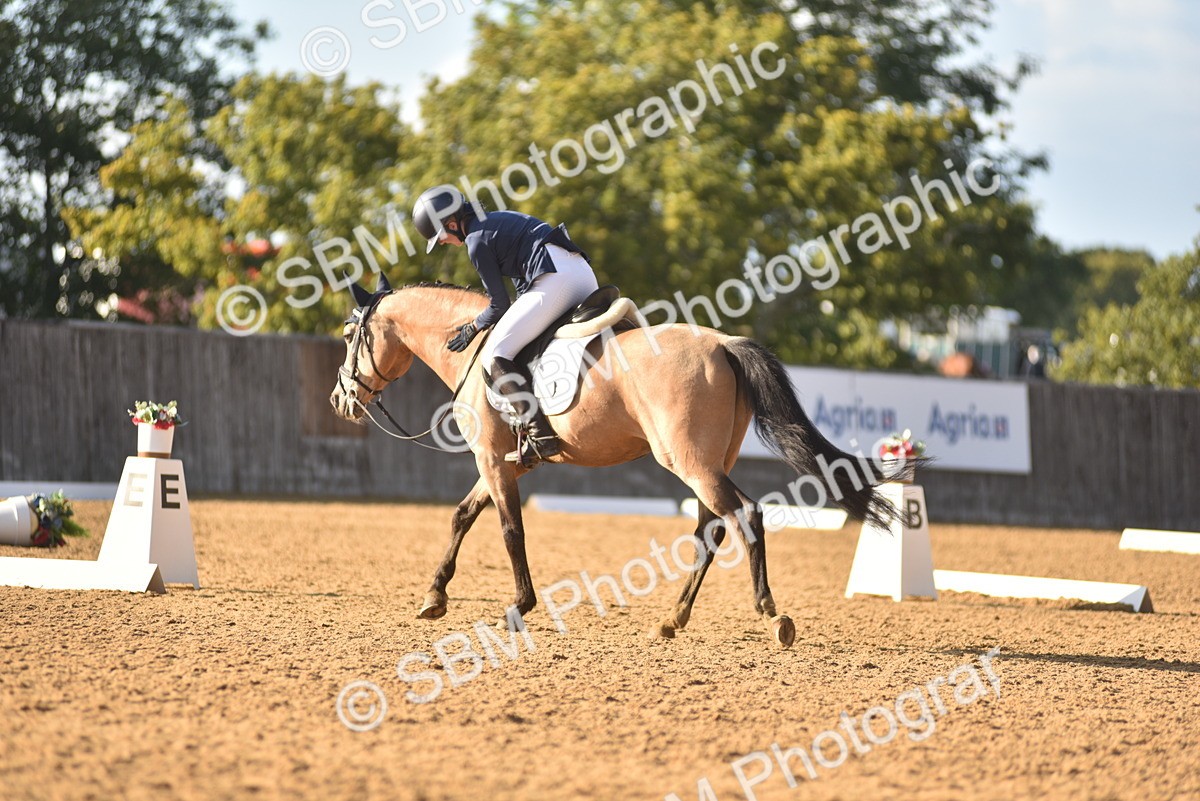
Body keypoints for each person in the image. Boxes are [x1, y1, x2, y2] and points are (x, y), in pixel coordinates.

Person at [412, 185, 600, 464]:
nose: (442, 243)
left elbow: (500, 305)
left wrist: (472, 327)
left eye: (440, 236)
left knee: (494, 354)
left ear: (451, 224)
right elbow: (521, 290)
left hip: (557, 279)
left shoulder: (476, 241)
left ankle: (540, 435)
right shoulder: (495, 221)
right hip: (583, 275)